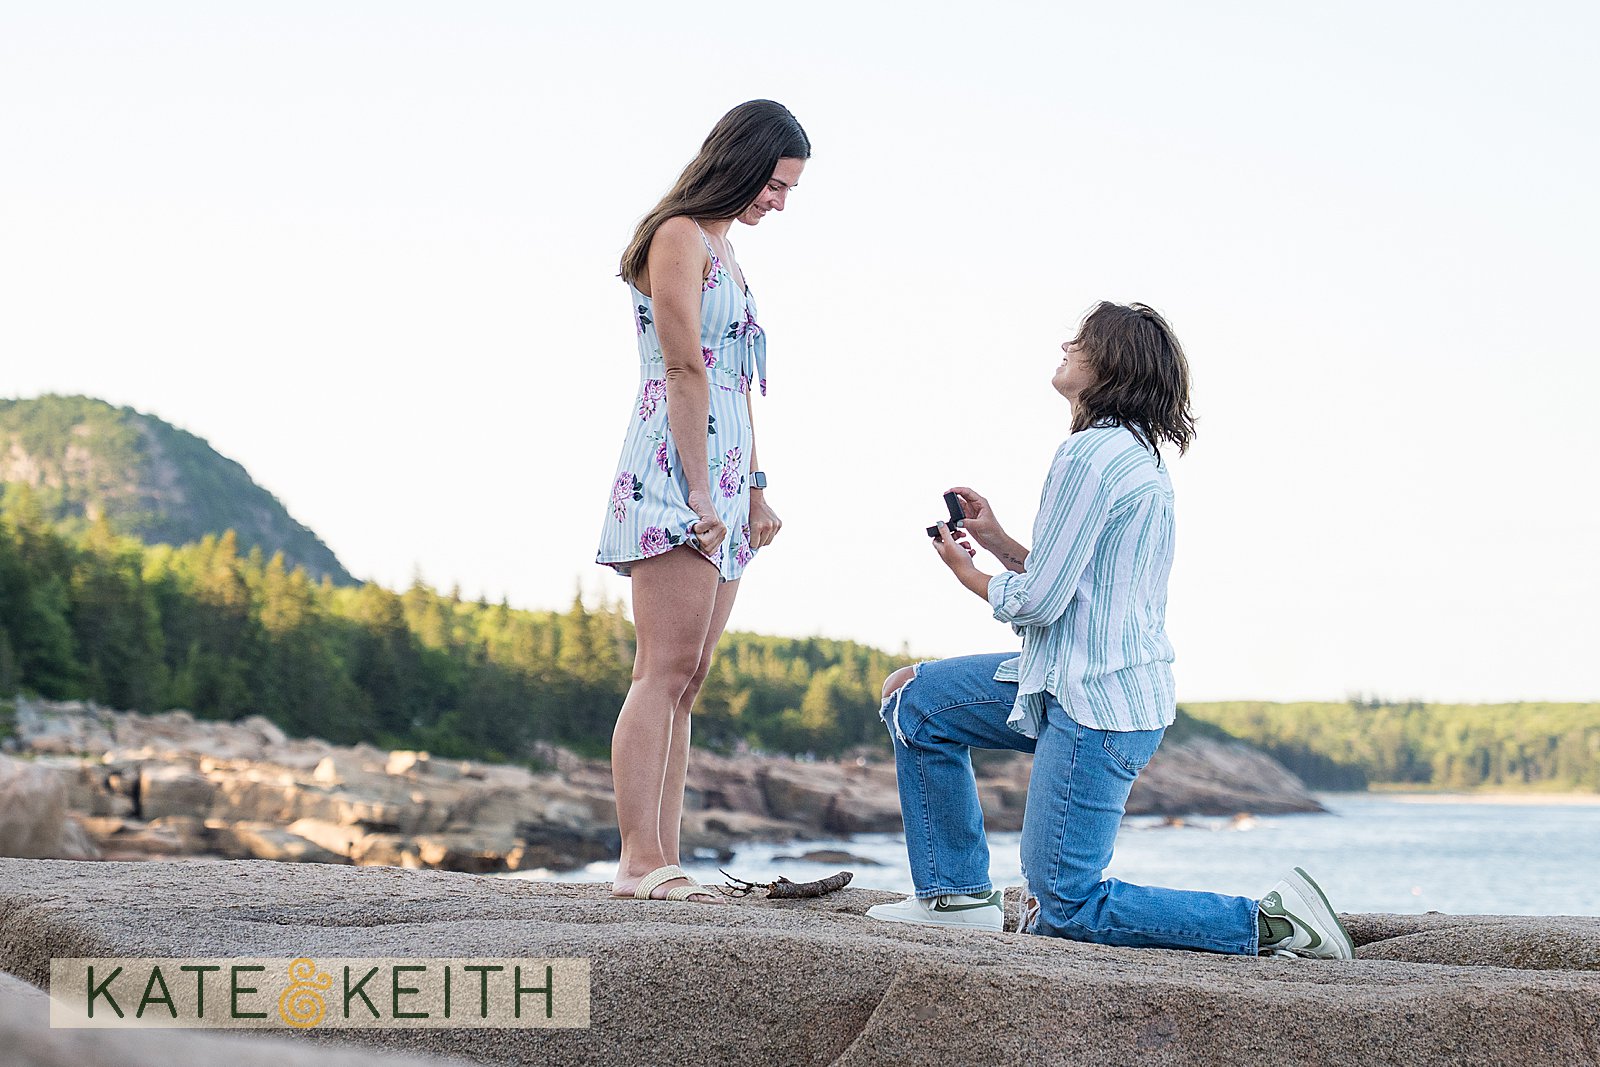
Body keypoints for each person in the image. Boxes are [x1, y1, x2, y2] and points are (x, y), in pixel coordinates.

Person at [864, 301, 1353, 959]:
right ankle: (955, 898)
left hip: (1097, 706)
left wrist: (966, 574)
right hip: (1074, 681)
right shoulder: (1134, 455)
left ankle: (1271, 923)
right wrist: (999, 540)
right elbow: (1072, 582)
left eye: (1083, 339)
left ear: (1110, 364)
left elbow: (1038, 602)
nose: (1067, 343)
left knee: (1064, 905)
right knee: (916, 701)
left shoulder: (1089, 456)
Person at [595, 100, 809, 903]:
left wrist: (755, 487)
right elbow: (684, 369)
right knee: (661, 668)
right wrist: (695, 487)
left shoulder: (726, 247)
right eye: (776, 185)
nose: (778, 202)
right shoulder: (679, 234)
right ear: (744, 160)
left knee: (692, 676)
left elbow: (735, 382)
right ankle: (638, 860)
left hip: (720, 472)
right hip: (672, 465)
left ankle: (665, 855)